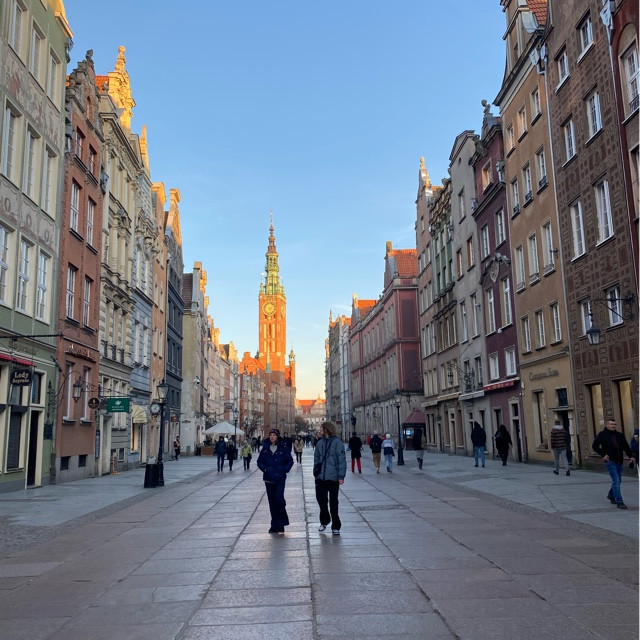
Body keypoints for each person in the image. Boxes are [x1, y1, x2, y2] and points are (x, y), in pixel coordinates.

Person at [592, 419, 636, 509]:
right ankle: (619, 501)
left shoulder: (619, 435)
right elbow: (595, 446)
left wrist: (631, 456)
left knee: (618, 480)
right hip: (610, 460)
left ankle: (611, 495)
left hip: (619, 460)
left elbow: (626, 447)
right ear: (607, 425)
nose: (613, 426)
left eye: (614, 424)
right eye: (611, 424)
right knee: (616, 480)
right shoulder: (602, 435)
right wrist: (603, 454)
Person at [257, 428, 294, 533]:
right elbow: (259, 461)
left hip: (280, 478)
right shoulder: (265, 448)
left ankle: (281, 522)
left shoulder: (283, 447)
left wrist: (285, 469)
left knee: (279, 499)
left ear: (277, 436)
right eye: (271, 435)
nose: (272, 437)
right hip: (268, 478)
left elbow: (290, 461)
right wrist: (264, 468)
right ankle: (275, 524)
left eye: (274, 435)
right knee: (272, 502)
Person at [314, 421, 346, 535]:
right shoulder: (320, 443)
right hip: (320, 477)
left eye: (322, 428)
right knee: (321, 500)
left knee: (333, 503)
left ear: (327, 429)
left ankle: (336, 525)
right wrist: (316, 472)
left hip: (333, 477)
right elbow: (316, 458)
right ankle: (325, 520)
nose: (320, 430)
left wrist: (341, 476)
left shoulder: (337, 443)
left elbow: (341, 460)